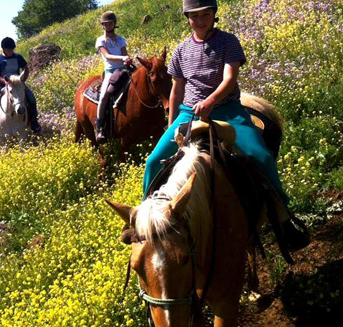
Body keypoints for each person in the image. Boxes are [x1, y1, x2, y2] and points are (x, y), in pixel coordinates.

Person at [143, 0, 309, 251]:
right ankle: (145, 222)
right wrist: (171, 125)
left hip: (227, 110)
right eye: (195, 16)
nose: (201, 20)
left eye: (206, 14)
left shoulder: (228, 42)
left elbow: (230, 78)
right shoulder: (180, 51)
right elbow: (177, 89)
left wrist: (210, 101)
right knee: (153, 161)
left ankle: (284, 220)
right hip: (189, 113)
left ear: (213, 15)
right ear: (187, 18)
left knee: (260, 155)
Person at [0, 37, 41, 140]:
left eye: (12, 49)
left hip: (17, 84)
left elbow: (26, 69)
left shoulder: (18, 57)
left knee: (31, 98)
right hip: (2, 84)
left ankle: (33, 122)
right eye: (9, 49)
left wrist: (22, 80)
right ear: (4, 49)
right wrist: (4, 81)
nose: (11, 51)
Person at [95, 11, 132, 143]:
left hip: (123, 69)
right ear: (103, 26)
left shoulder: (121, 40)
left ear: (114, 24)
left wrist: (127, 60)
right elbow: (108, 56)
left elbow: (124, 53)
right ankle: (99, 127)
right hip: (110, 71)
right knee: (104, 95)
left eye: (111, 23)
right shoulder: (100, 41)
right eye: (106, 24)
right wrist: (122, 58)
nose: (109, 25)